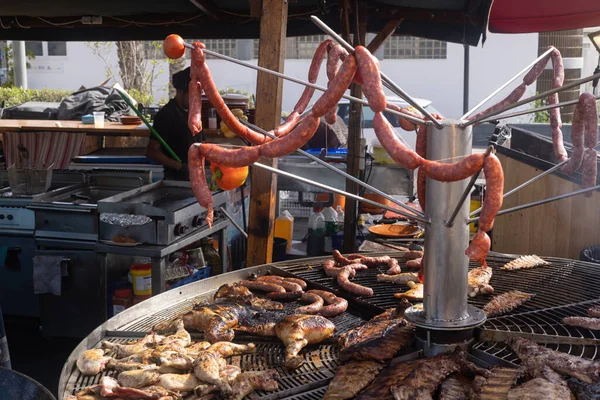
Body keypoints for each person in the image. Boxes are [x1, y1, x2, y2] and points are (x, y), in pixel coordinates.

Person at [145, 67, 204, 181]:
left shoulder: (193, 114)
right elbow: (151, 152)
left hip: (196, 177)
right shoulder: (167, 114)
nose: (196, 99)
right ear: (181, 92)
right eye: (192, 95)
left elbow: (201, 143)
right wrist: (180, 166)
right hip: (175, 179)